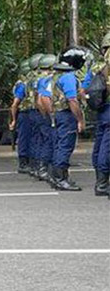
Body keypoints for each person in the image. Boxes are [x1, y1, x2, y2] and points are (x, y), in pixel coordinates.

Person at [46, 49, 86, 191]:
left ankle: (56, 176)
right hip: (67, 115)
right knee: (65, 146)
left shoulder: (57, 76)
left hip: (58, 114)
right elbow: (72, 101)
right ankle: (60, 179)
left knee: (59, 145)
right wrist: (80, 119)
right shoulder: (68, 77)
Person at [85, 33, 109, 197]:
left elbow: (85, 88)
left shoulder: (96, 67)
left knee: (100, 144)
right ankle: (102, 185)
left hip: (102, 110)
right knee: (107, 148)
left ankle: (100, 181)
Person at [33, 54, 58, 183]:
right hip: (46, 114)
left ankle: (40, 167)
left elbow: (38, 100)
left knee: (42, 141)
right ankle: (44, 169)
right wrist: (50, 114)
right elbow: (42, 99)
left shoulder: (37, 79)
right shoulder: (47, 79)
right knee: (49, 141)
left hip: (39, 114)